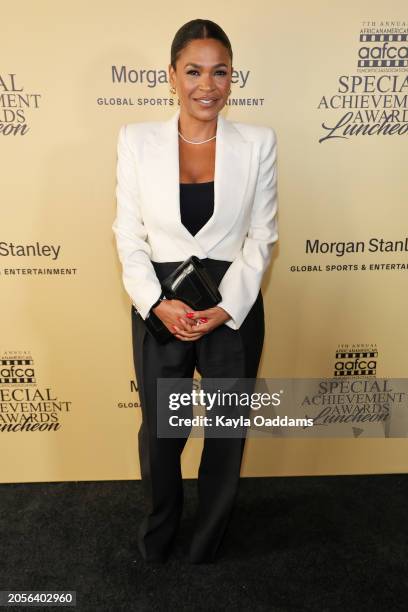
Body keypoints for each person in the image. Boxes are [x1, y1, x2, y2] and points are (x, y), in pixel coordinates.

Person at [112, 18, 278, 564]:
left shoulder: (258, 143)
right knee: (163, 433)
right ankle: (160, 534)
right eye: (193, 71)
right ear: (172, 76)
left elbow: (261, 236)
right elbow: (128, 233)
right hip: (162, 303)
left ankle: (207, 543)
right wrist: (155, 302)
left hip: (232, 304)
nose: (207, 85)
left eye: (219, 72)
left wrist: (228, 307)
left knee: (226, 434)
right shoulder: (137, 140)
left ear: (232, 77)